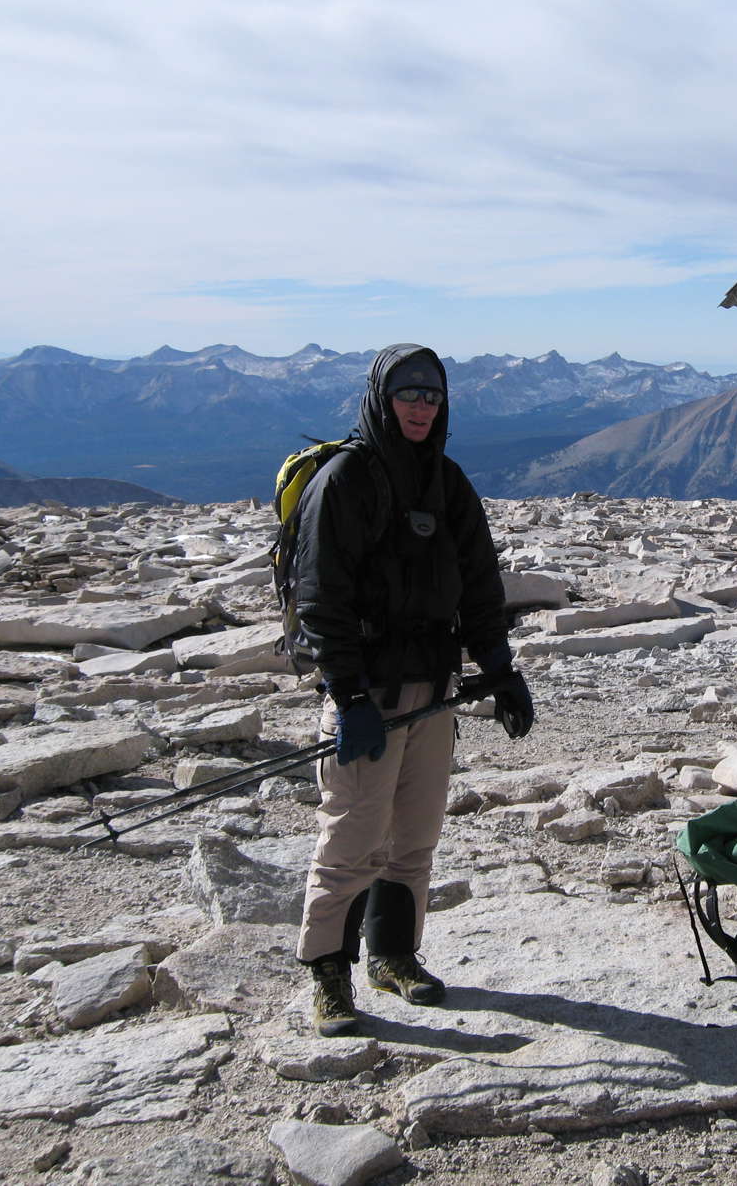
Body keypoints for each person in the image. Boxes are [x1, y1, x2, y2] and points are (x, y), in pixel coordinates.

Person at [287, 343, 534, 1037]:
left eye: (432, 395)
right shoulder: (344, 480)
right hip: (367, 693)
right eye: (408, 394)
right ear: (381, 398)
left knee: (416, 834)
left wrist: (500, 670)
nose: (421, 407)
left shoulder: (446, 483)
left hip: (434, 689)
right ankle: (328, 975)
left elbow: (480, 588)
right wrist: (348, 696)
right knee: (352, 837)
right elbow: (322, 600)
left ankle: (393, 953)